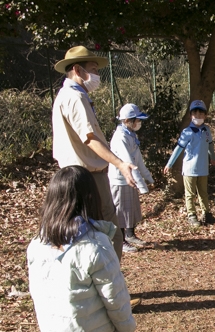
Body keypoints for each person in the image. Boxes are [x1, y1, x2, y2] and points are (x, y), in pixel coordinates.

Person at [27, 166, 137, 332]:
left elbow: (37, 292)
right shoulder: (95, 245)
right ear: (91, 197)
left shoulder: (37, 244)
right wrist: (125, 327)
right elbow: (114, 295)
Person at [52, 45, 140, 307]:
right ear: (77, 70)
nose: (96, 75)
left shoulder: (66, 95)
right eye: (93, 70)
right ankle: (110, 294)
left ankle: (93, 293)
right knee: (109, 232)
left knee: (85, 234)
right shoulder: (75, 98)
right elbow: (89, 139)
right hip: (87, 176)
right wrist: (120, 163)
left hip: (73, 175)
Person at [109, 104, 154, 253]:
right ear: (128, 120)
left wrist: (148, 177)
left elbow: (138, 159)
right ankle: (121, 241)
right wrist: (142, 186)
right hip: (120, 180)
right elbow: (128, 162)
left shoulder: (131, 134)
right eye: (136, 120)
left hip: (131, 180)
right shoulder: (120, 137)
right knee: (121, 211)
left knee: (131, 209)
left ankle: (130, 235)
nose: (139, 123)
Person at [164, 100, 215, 227]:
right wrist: (169, 164)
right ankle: (191, 215)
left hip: (203, 168)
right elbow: (178, 148)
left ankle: (206, 213)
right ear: (190, 115)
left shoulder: (206, 130)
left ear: (205, 115)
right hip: (189, 169)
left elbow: (210, 145)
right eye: (195, 114)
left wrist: (213, 157)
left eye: (201, 114)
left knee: (203, 192)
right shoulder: (187, 132)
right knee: (190, 194)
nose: (198, 116)